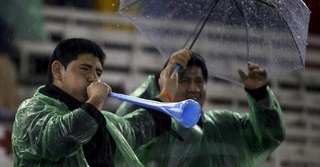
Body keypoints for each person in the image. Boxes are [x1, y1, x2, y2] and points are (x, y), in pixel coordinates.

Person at [12, 38, 184, 167]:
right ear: (58, 71)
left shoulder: (101, 120)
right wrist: (96, 100)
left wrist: (165, 91)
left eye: (98, 73)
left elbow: (136, 129)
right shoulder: (31, 110)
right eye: (85, 69)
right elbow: (60, 139)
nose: (93, 78)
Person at [116, 48, 286, 166]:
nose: (193, 88)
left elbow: (269, 136)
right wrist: (158, 84)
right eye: (184, 80)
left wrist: (259, 94)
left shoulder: (228, 125)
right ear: (169, 83)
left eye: (199, 81)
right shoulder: (155, 128)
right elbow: (124, 132)